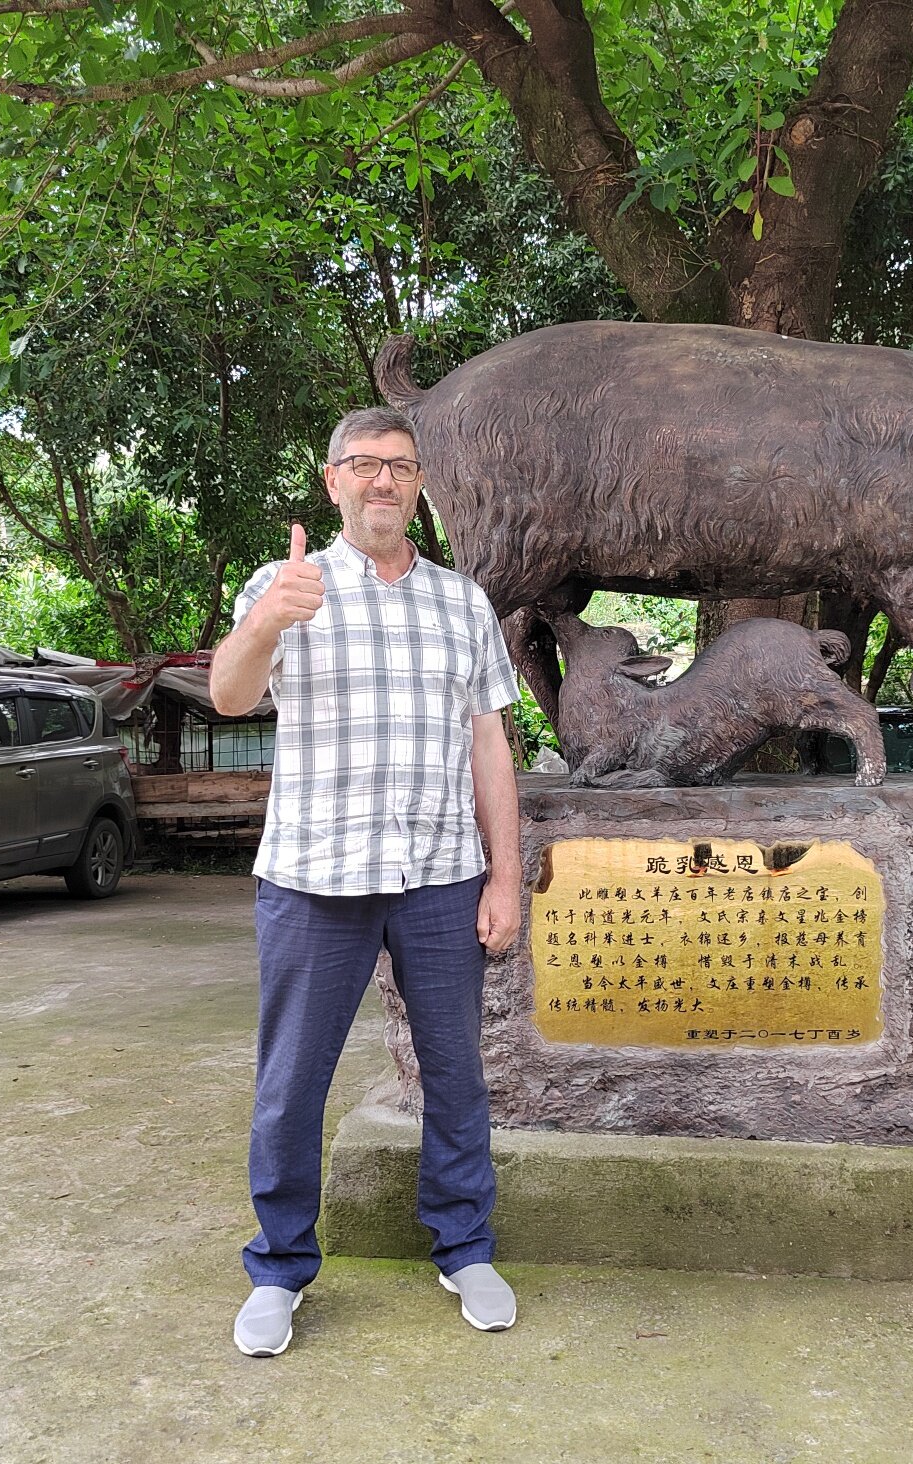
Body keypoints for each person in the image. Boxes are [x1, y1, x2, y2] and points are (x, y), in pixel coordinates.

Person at [208, 406, 524, 1358]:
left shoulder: (462, 602)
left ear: (419, 484)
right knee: (291, 1084)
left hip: (440, 875)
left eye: (402, 466)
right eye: (364, 463)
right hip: (315, 876)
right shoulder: (286, 584)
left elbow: (490, 747)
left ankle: (464, 1246)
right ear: (333, 479)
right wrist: (269, 618)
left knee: (457, 1075)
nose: (384, 480)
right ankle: (278, 1267)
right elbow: (228, 695)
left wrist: (506, 875)